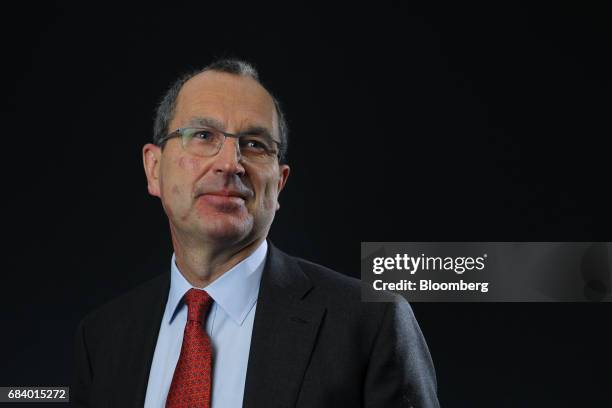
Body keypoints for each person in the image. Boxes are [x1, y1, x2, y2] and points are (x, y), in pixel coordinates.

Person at [72, 59, 440, 408]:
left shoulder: (370, 323)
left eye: (255, 145)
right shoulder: (103, 338)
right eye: (203, 135)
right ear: (154, 169)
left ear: (278, 184)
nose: (231, 163)